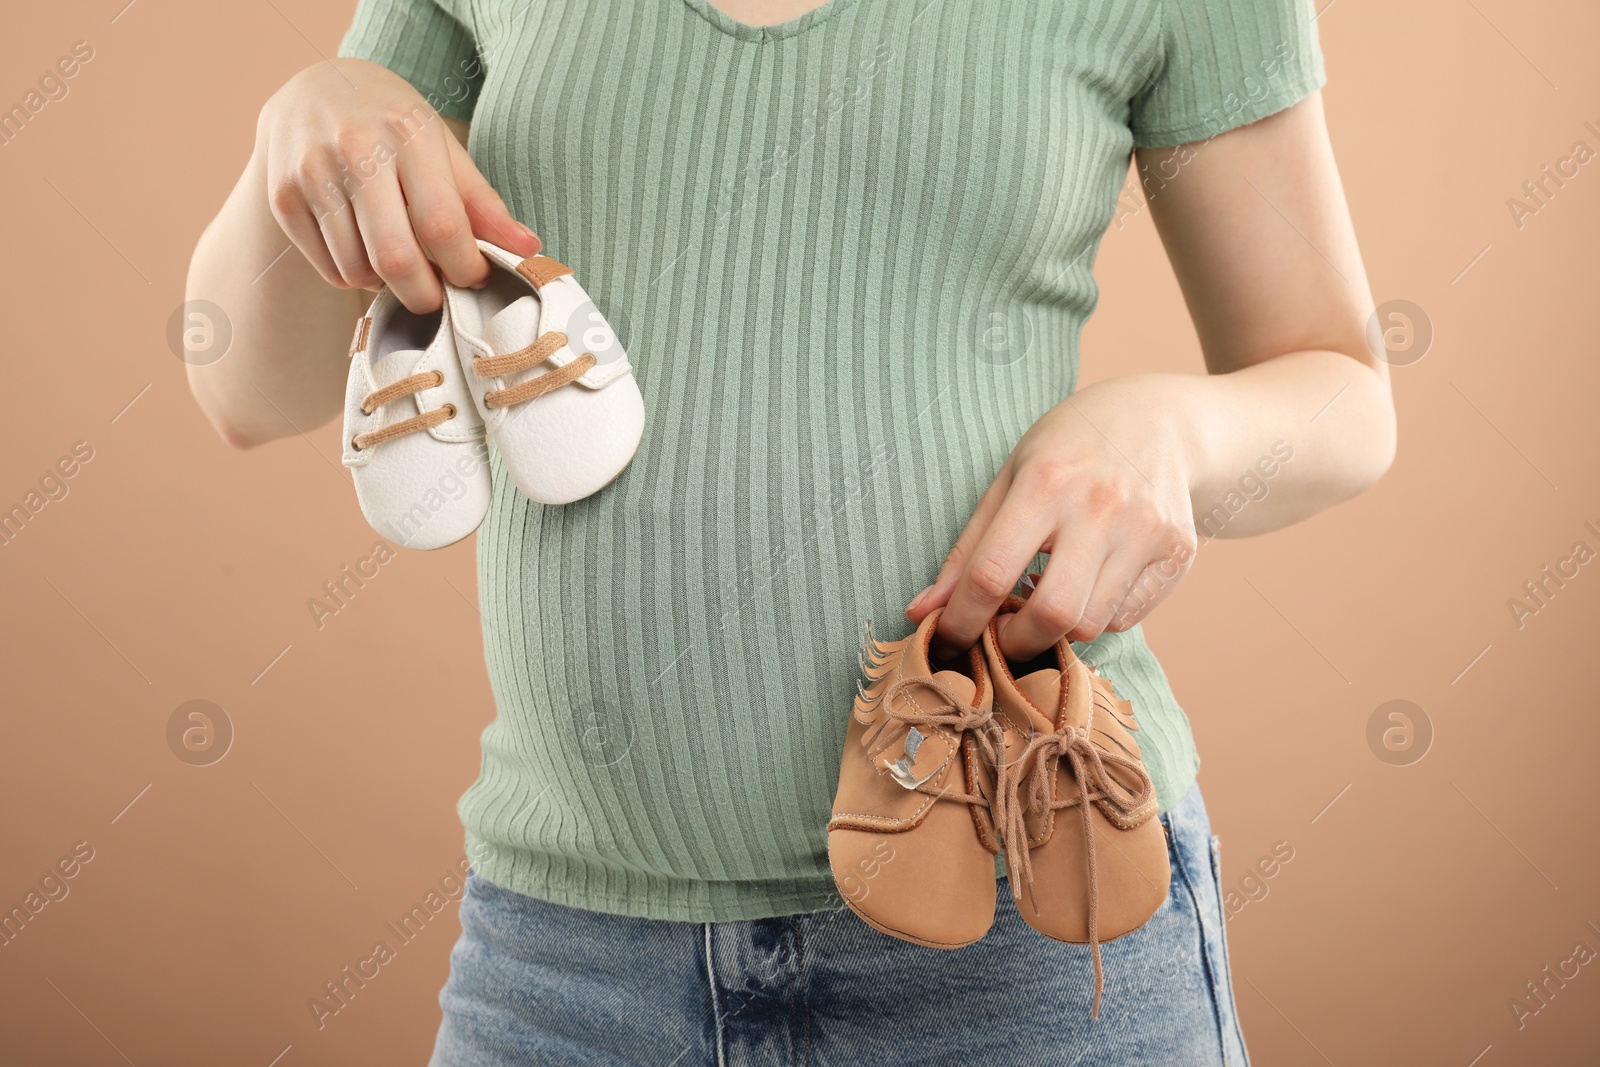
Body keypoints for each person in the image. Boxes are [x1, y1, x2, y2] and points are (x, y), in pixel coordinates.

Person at [185, 0, 1395, 1062]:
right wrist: (303, 111)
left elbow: (1340, 397)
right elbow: (252, 389)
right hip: (570, 977)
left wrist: (1167, 429)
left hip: (1027, 933)